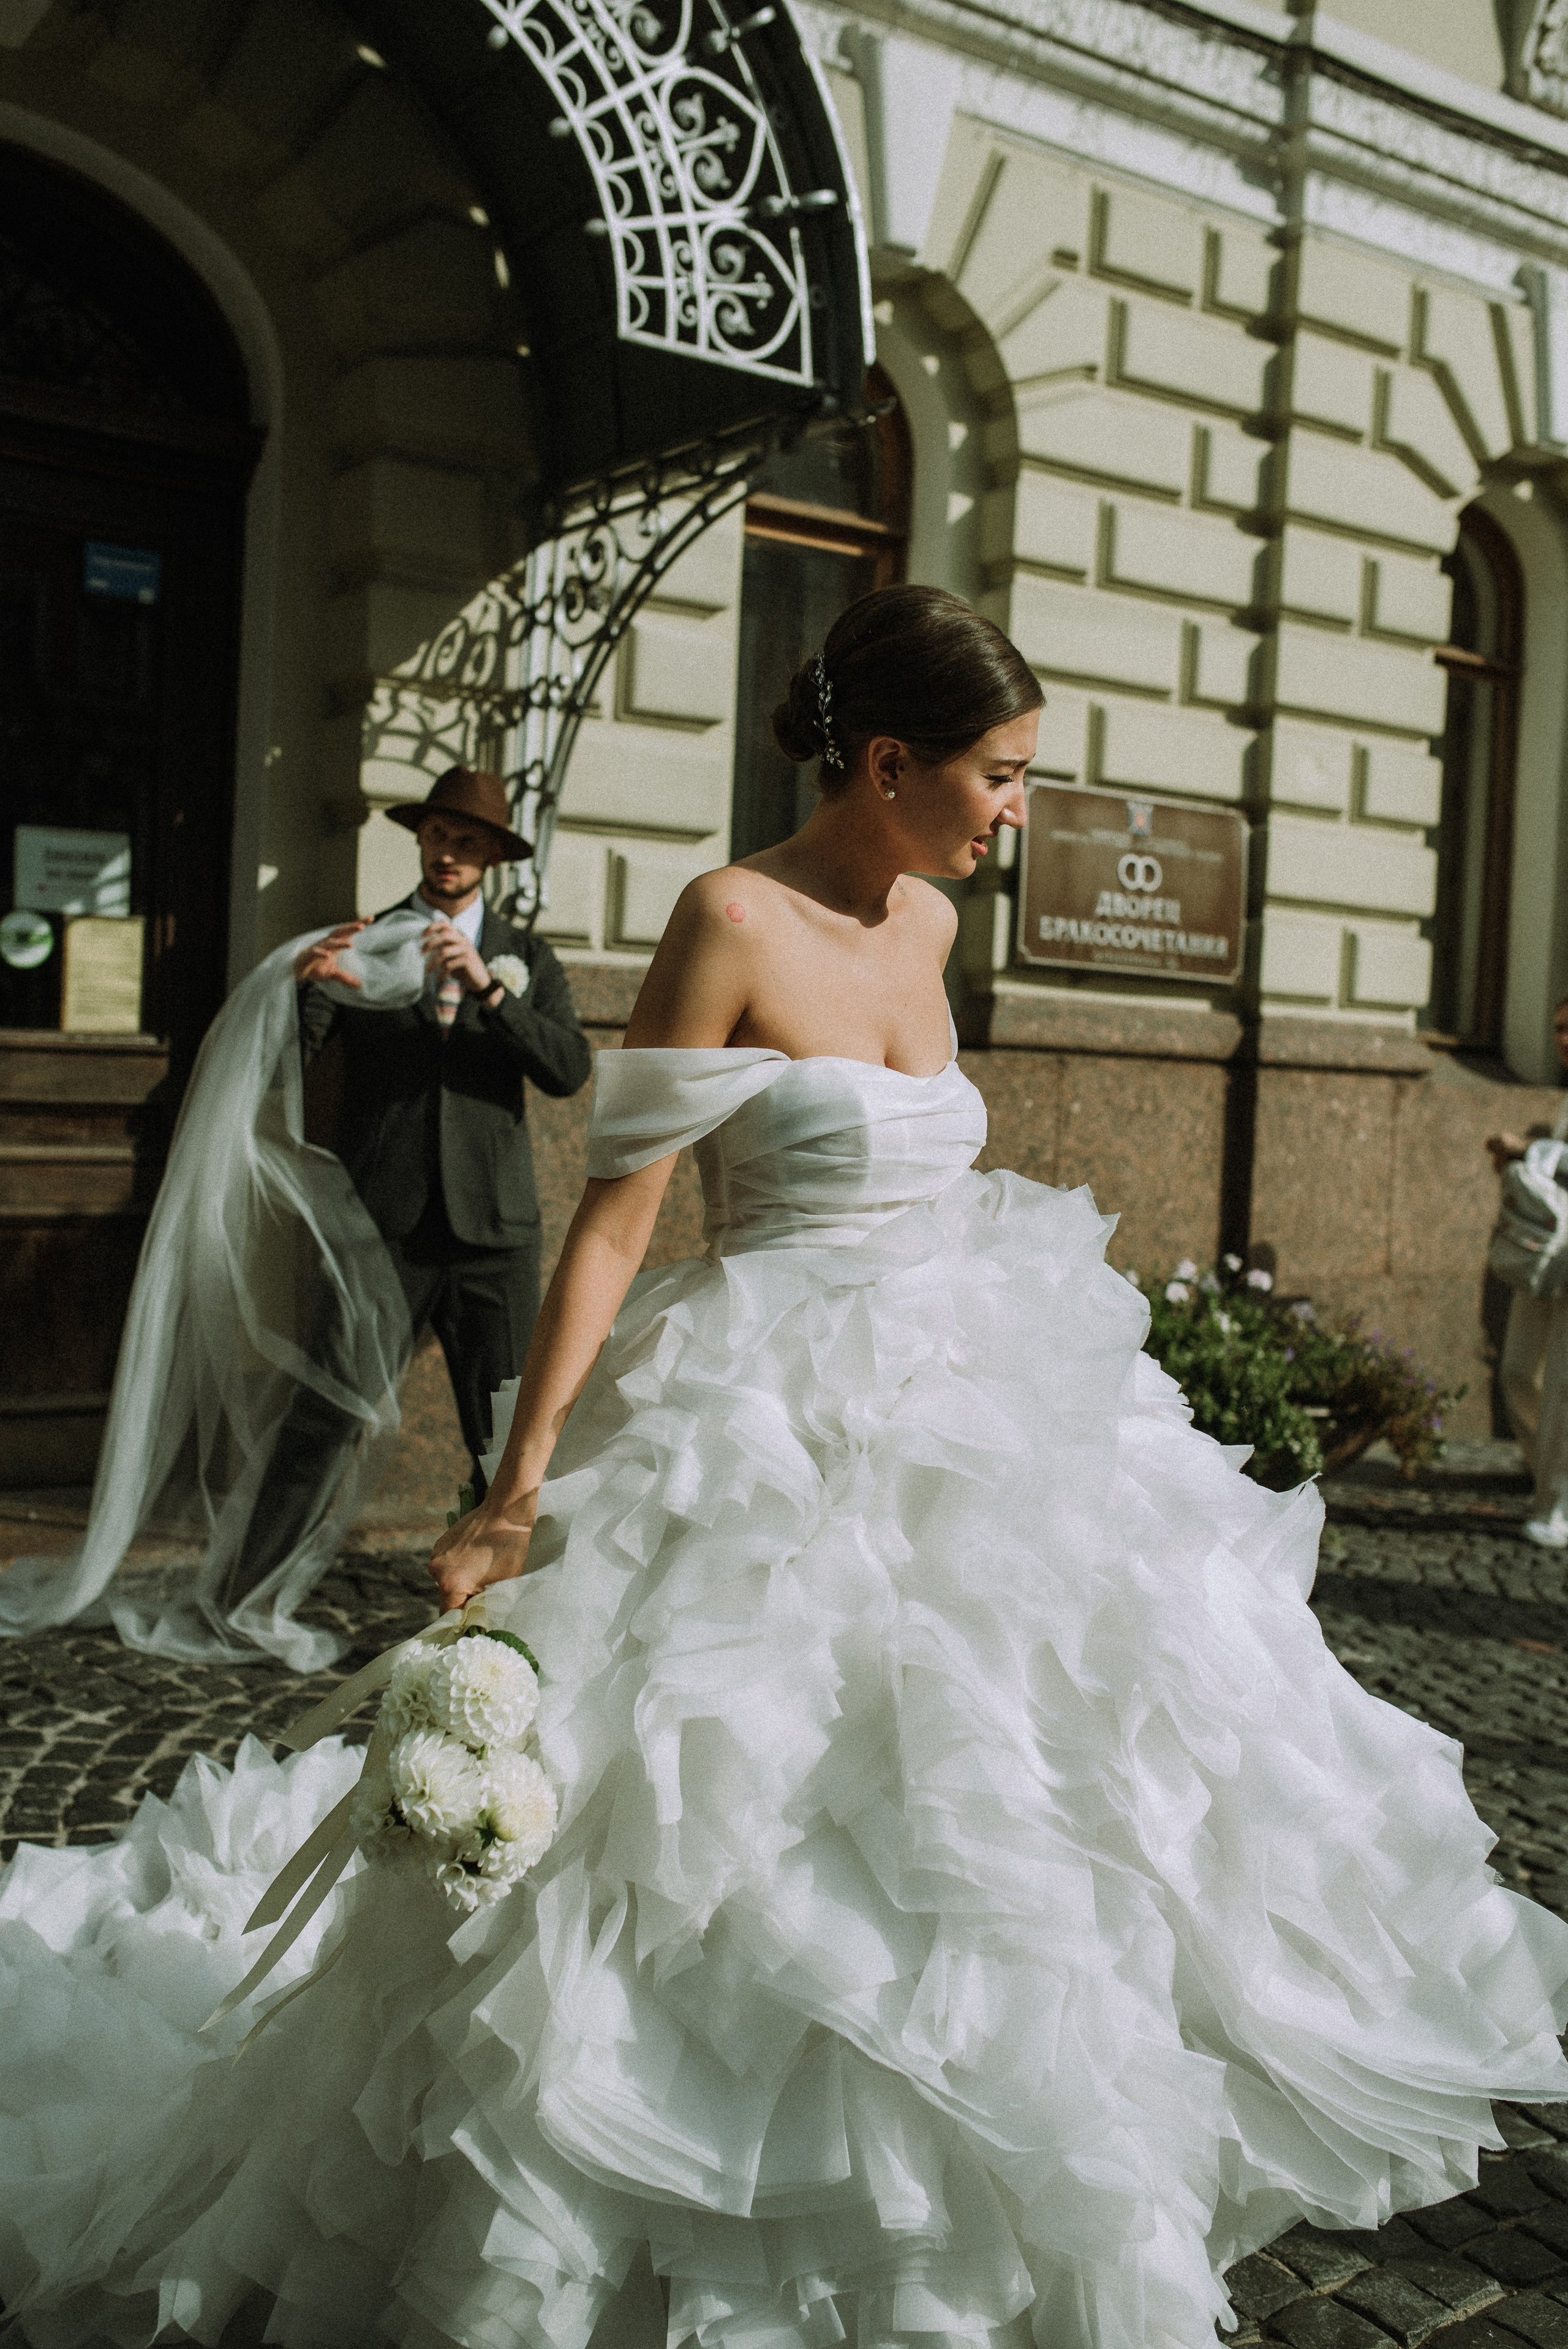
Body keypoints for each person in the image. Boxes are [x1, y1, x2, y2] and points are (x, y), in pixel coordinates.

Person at [2, 586, 1567, 2349]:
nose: (1019, 812)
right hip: (765, 1410)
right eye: (1001, 775)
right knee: (734, 1811)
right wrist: (514, 1490)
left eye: (1028, 777)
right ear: (886, 762)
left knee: (1031, 1810)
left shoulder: (932, 927)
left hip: (975, 1399)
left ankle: (989, 2209)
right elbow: (616, 1223)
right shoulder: (730, 915)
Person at [222, 766, 594, 1602]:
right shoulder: (366, 936)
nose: (448, 853)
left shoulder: (524, 954)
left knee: (505, 1429)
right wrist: (309, 991)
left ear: (492, 855)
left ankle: (518, 1595)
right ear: (420, 840)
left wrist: (489, 986)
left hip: (494, 1229)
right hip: (382, 1224)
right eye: (437, 835)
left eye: (467, 841)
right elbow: (296, 1062)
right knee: (326, 1408)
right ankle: (248, 1592)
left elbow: (569, 1069)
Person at [1488, 992, 1568, 1547]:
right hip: (1547, 1253)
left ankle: (1557, 1504)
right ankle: (1546, 1470)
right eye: (1559, 1028)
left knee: (1564, 1384)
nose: (1563, 1039)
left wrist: (1531, 1149)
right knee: (1518, 1368)